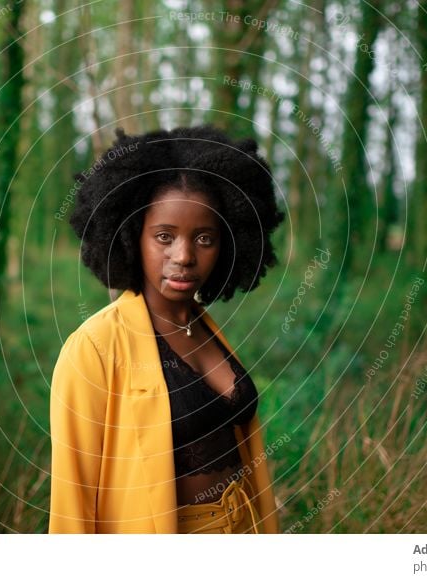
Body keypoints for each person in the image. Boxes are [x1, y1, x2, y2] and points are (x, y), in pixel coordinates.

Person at [49, 126, 285, 533]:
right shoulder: (95, 348)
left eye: (205, 239)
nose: (184, 257)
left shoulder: (206, 329)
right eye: (164, 237)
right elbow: (73, 501)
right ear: (129, 236)